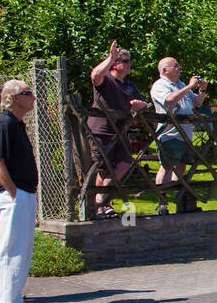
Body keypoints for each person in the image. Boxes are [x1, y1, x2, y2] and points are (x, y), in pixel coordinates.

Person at [0, 79, 41, 303]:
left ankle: (15, 297)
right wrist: (14, 193)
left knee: (22, 248)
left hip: (24, 193)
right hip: (13, 196)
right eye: (27, 92)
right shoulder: (4, 123)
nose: (32, 96)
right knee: (10, 249)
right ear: (14, 97)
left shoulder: (17, 124)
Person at [88, 40, 150, 219]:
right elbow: (94, 76)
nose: (130, 64)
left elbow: (144, 103)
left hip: (120, 131)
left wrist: (141, 104)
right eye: (126, 61)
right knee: (103, 168)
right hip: (101, 130)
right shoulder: (106, 80)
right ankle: (100, 206)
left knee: (124, 164)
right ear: (116, 64)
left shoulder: (130, 85)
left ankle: (100, 200)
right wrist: (110, 57)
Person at [151, 57, 207, 213]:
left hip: (185, 135)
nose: (179, 68)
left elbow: (197, 103)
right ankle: (162, 203)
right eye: (175, 66)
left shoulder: (180, 84)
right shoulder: (160, 85)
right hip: (170, 134)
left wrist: (201, 90)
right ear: (164, 70)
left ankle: (179, 201)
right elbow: (169, 100)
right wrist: (190, 86)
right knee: (167, 167)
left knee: (181, 167)